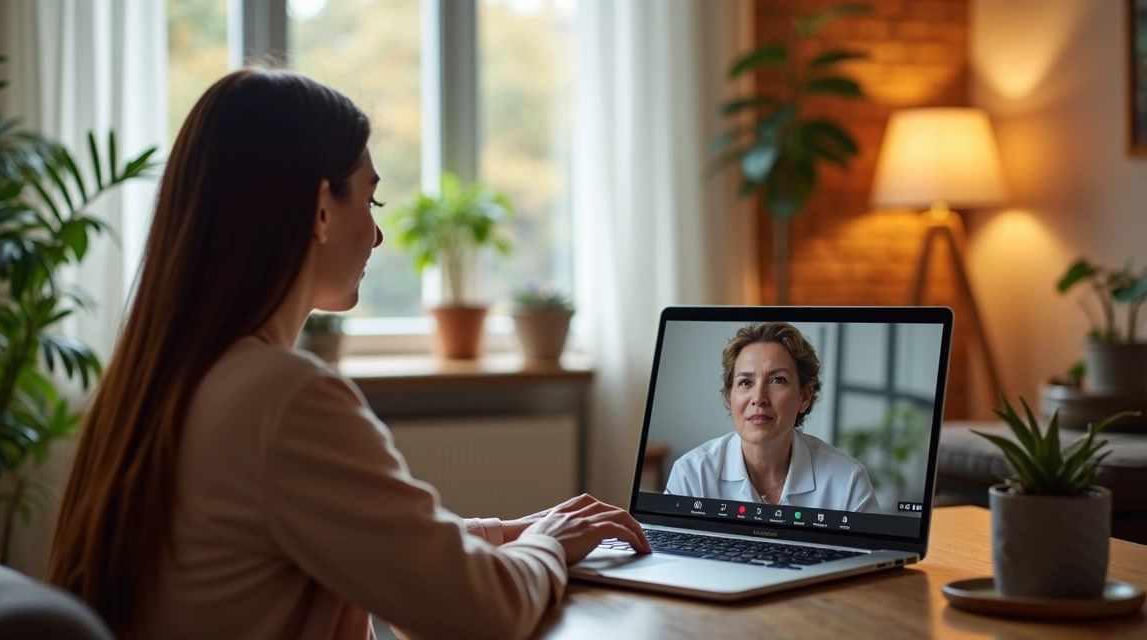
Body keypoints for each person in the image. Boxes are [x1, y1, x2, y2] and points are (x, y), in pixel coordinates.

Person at [46, 68, 650, 640]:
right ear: (320, 209)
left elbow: (353, 547)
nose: (379, 234)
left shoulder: (166, 380)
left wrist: (509, 533)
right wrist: (547, 543)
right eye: (371, 201)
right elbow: (476, 617)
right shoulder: (281, 396)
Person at [664, 322, 880, 513]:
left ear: (804, 396)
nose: (758, 398)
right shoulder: (691, 474)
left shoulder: (848, 480)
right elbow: (665, 553)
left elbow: (872, 557)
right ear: (730, 397)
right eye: (745, 383)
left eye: (777, 380)